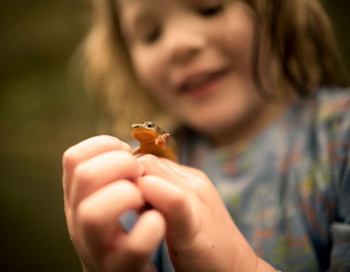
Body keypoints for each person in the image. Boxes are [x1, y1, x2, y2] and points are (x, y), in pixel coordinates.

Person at [62, 0, 350, 271]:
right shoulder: (138, 174)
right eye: (151, 35)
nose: (178, 45)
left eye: (210, 8)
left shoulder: (340, 137)